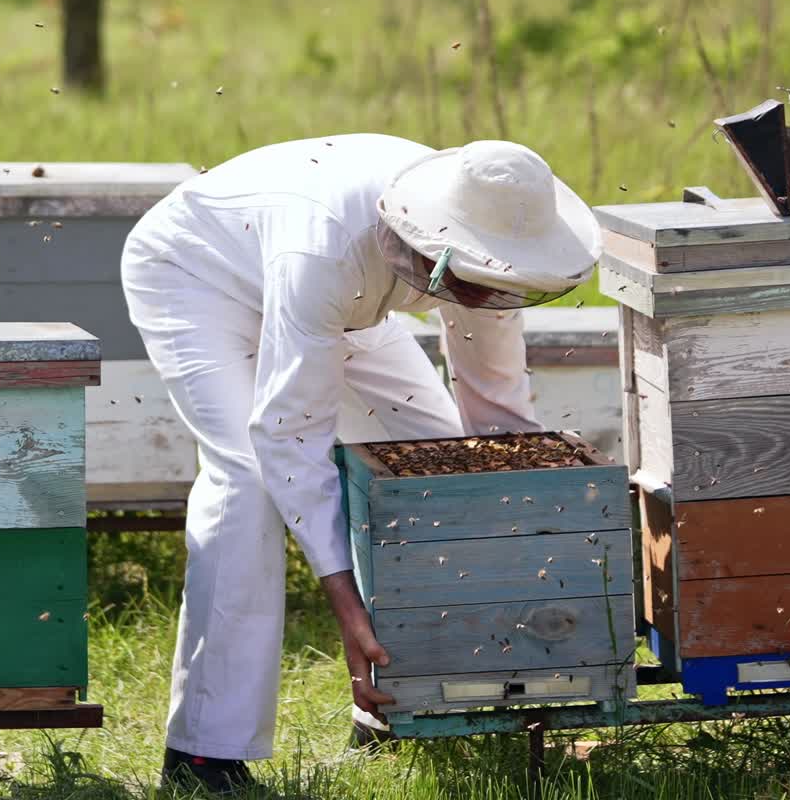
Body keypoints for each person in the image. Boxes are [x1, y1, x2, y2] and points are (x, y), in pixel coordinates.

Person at [120, 134, 601, 794]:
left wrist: (525, 536)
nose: (487, 300)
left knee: (432, 462)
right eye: (475, 286)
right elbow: (291, 436)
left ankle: (415, 704)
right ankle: (204, 752)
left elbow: (497, 409)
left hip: (340, 297)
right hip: (198, 275)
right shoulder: (327, 248)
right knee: (249, 480)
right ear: (435, 245)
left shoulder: (495, 242)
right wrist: (348, 610)